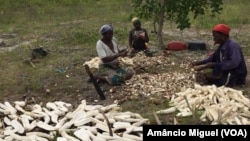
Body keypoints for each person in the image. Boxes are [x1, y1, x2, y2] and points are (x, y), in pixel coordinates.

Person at [191, 23, 247, 87]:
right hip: (226, 72)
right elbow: (212, 58)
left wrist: (214, 65)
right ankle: (215, 78)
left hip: (235, 75)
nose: (213, 39)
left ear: (222, 36)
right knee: (200, 76)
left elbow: (233, 63)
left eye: (215, 36)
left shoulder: (232, 46)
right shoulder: (221, 47)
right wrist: (198, 63)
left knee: (205, 77)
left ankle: (235, 82)